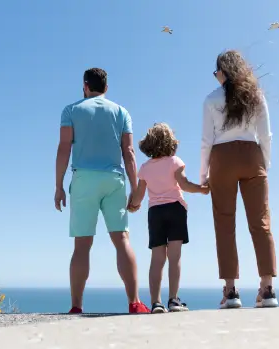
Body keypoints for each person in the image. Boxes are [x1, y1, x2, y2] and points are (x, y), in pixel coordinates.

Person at [54, 67, 150, 314]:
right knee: (122, 240)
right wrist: (135, 186)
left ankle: (76, 306)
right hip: (113, 179)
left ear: (85, 86)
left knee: (81, 245)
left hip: (84, 179)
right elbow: (128, 153)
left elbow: (64, 148)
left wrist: (58, 186)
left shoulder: (71, 110)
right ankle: (135, 302)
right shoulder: (121, 112)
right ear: (106, 88)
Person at [200, 50, 278, 309]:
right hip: (251, 154)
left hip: (221, 159)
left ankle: (231, 291)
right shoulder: (256, 95)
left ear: (222, 72)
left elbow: (206, 141)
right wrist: (263, 163)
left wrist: (204, 175)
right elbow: (266, 135)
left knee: (224, 224)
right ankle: (267, 289)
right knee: (261, 222)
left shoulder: (211, 99)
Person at [129, 123, 209, 313]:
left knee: (157, 259)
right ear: (170, 142)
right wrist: (202, 189)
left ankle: (156, 302)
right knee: (175, 257)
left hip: (155, 213)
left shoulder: (145, 168)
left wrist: (132, 206)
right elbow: (184, 184)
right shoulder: (175, 162)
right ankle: (173, 300)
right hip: (175, 210)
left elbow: (139, 197)